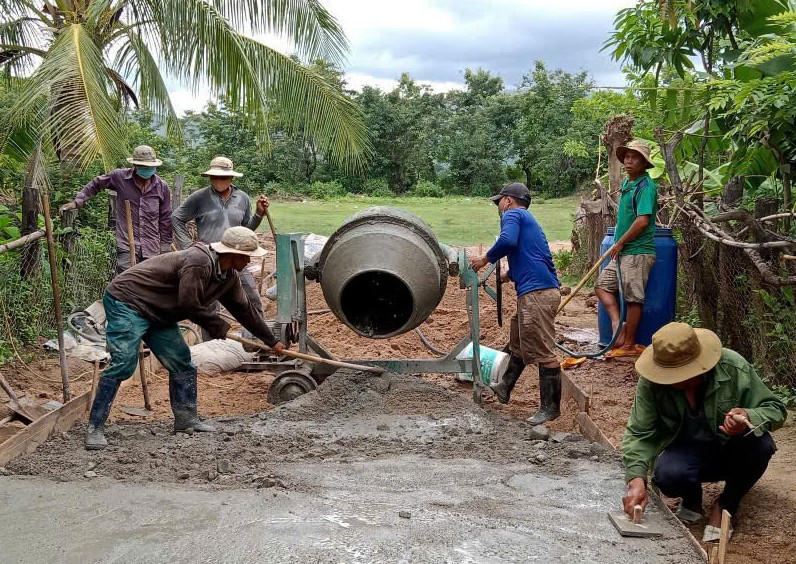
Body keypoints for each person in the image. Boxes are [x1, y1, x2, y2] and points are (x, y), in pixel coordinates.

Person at [84, 226, 286, 450]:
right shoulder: (199, 262)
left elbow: (246, 311)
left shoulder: (228, 276)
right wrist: (218, 326)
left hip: (159, 312)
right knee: (124, 363)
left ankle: (186, 420)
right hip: (129, 302)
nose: (249, 262)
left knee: (181, 361)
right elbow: (188, 304)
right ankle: (95, 427)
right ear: (233, 254)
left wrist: (271, 341)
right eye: (247, 257)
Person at [622, 322, 786, 542]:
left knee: (762, 445)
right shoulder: (651, 383)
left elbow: (776, 410)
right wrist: (636, 480)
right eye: (670, 376)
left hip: (732, 451)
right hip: (687, 451)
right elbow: (639, 433)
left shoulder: (733, 366)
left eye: (683, 375)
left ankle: (726, 504)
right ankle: (692, 499)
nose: (676, 381)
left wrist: (748, 416)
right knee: (668, 476)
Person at [469, 182, 562, 425]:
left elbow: (508, 242)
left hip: (537, 295)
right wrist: (506, 275)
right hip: (538, 291)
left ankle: (550, 408)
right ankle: (504, 387)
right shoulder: (528, 220)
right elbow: (531, 256)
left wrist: (484, 259)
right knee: (518, 342)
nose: (498, 206)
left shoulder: (513, 215)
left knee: (543, 351)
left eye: (499, 201)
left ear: (508, 200)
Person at [172, 156, 269, 319]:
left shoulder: (242, 198)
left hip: (236, 257)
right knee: (209, 308)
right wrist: (188, 246)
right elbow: (176, 218)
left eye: (223, 177)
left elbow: (246, 230)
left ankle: (257, 341)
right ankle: (211, 344)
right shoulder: (199, 197)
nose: (219, 180)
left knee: (252, 302)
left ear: (231, 178)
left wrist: (259, 214)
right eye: (215, 177)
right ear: (210, 177)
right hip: (209, 259)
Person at [60, 145, 173, 274]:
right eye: (144, 167)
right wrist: (77, 201)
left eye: (150, 167)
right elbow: (96, 184)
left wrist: (165, 246)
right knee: (127, 282)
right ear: (135, 166)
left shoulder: (162, 187)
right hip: (127, 244)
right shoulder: (120, 177)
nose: (147, 170)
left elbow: (165, 218)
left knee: (150, 283)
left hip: (151, 246)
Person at [596, 139, 658, 356]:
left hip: (637, 251)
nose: (629, 161)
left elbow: (642, 220)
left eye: (635, 158)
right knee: (602, 285)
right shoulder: (627, 184)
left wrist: (620, 241)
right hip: (622, 250)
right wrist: (619, 243)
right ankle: (617, 324)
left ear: (644, 163)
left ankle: (629, 344)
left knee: (633, 299)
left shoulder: (645, 187)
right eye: (627, 157)